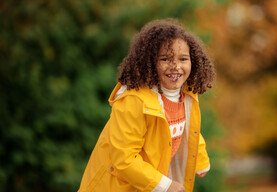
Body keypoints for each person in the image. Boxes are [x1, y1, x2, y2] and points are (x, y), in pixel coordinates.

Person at [78, 18, 216, 192]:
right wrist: (166, 186)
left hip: (144, 184)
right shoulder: (134, 100)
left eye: (183, 59)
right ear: (149, 62)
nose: (175, 67)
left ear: (193, 61)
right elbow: (124, 159)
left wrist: (200, 160)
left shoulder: (187, 94)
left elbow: (185, 128)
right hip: (114, 186)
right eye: (165, 59)